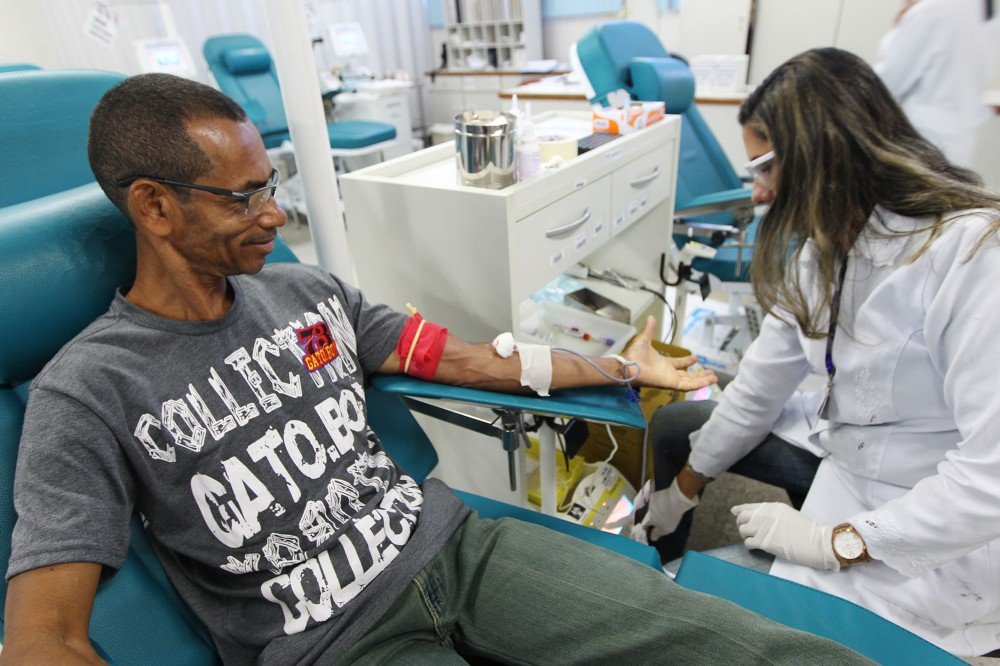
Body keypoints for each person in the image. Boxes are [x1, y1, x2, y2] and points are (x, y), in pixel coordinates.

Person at [0, 74, 867, 665]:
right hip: (334, 644)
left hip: (457, 549)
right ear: (152, 204)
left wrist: (614, 362)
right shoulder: (87, 389)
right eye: (244, 197)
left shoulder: (305, 290)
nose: (277, 212)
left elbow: (468, 359)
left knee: (739, 646)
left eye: (275, 183)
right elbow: (42, 638)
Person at [638, 48, 1000, 657]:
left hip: (938, 526)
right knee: (680, 427)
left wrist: (838, 542)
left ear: (826, 154)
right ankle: (662, 553)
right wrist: (685, 489)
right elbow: (757, 388)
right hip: (845, 456)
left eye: (765, 169)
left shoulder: (971, 258)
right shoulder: (823, 251)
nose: (757, 193)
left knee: (711, 620)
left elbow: (991, 479)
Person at [874, 0, 1000, 168]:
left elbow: (886, 85)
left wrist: (902, 21)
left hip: (919, 141)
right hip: (956, 143)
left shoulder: (933, 11)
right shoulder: (984, 12)